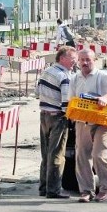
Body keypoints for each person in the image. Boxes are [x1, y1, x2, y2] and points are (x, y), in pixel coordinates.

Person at [70, 49, 107, 203]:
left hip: (103, 121)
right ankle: (86, 191)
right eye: (82, 60)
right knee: (81, 155)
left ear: (94, 60)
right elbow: (71, 100)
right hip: (83, 121)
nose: (85, 63)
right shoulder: (75, 79)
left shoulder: (102, 76)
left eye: (88, 59)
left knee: (99, 155)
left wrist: (105, 98)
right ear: (78, 61)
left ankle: (106, 188)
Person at [35, 45, 78, 199]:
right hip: (58, 117)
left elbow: (37, 92)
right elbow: (66, 102)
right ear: (62, 58)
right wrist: (72, 119)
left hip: (44, 115)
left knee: (45, 153)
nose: (75, 62)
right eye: (72, 59)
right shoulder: (65, 77)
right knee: (57, 154)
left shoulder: (46, 72)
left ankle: (43, 187)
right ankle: (54, 190)